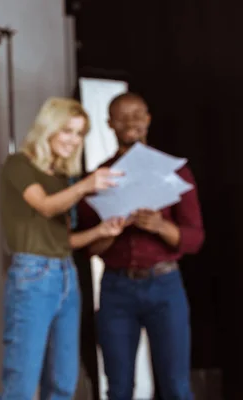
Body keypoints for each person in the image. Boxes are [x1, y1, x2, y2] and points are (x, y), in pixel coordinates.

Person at [76, 92, 205, 400]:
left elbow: (195, 239)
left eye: (137, 114)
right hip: (117, 290)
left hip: (165, 286)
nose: (131, 121)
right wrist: (111, 231)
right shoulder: (98, 179)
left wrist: (160, 226)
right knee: (118, 389)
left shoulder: (175, 173)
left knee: (176, 386)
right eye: (122, 116)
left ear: (148, 119)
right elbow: (86, 248)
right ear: (109, 124)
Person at [0, 97, 127, 400]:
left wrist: (101, 230)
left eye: (80, 133)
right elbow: (44, 206)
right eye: (68, 130)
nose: (74, 140)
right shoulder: (19, 164)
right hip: (32, 277)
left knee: (63, 384)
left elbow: (63, 240)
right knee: (21, 384)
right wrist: (85, 186)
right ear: (49, 128)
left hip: (66, 275)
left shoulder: (62, 179)